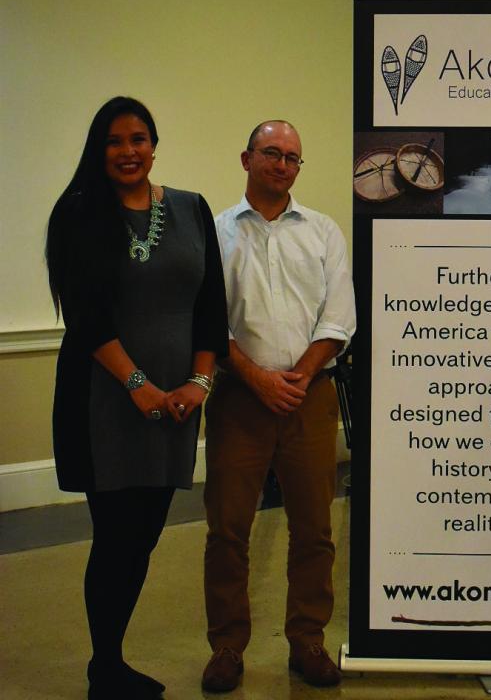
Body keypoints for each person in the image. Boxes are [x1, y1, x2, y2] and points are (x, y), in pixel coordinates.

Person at [46, 96, 229, 699]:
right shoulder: (77, 214)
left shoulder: (192, 209)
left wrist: (197, 386)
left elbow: (210, 307)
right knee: (116, 534)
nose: (128, 152)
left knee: (146, 534)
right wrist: (140, 387)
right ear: (99, 150)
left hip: (174, 406)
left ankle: (111, 663)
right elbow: (85, 316)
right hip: (106, 403)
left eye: (139, 139)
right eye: (115, 142)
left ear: (155, 144)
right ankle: (106, 667)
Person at [201, 120, 356, 692]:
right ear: (246, 158)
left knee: (314, 528)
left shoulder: (322, 232)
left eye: (293, 157)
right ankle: (226, 647)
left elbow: (339, 318)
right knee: (227, 531)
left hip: (309, 399)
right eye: (272, 153)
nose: (283, 164)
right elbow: (209, 325)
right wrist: (258, 380)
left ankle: (307, 640)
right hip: (239, 399)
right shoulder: (213, 232)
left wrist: (297, 376)